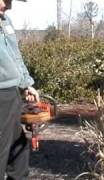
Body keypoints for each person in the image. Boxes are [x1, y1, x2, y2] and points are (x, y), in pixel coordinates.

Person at [0, 0, 39, 179]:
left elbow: (15, 55)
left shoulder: (5, 21)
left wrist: (26, 84)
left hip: (11, 93)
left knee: (19, 147)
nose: (8, 5)